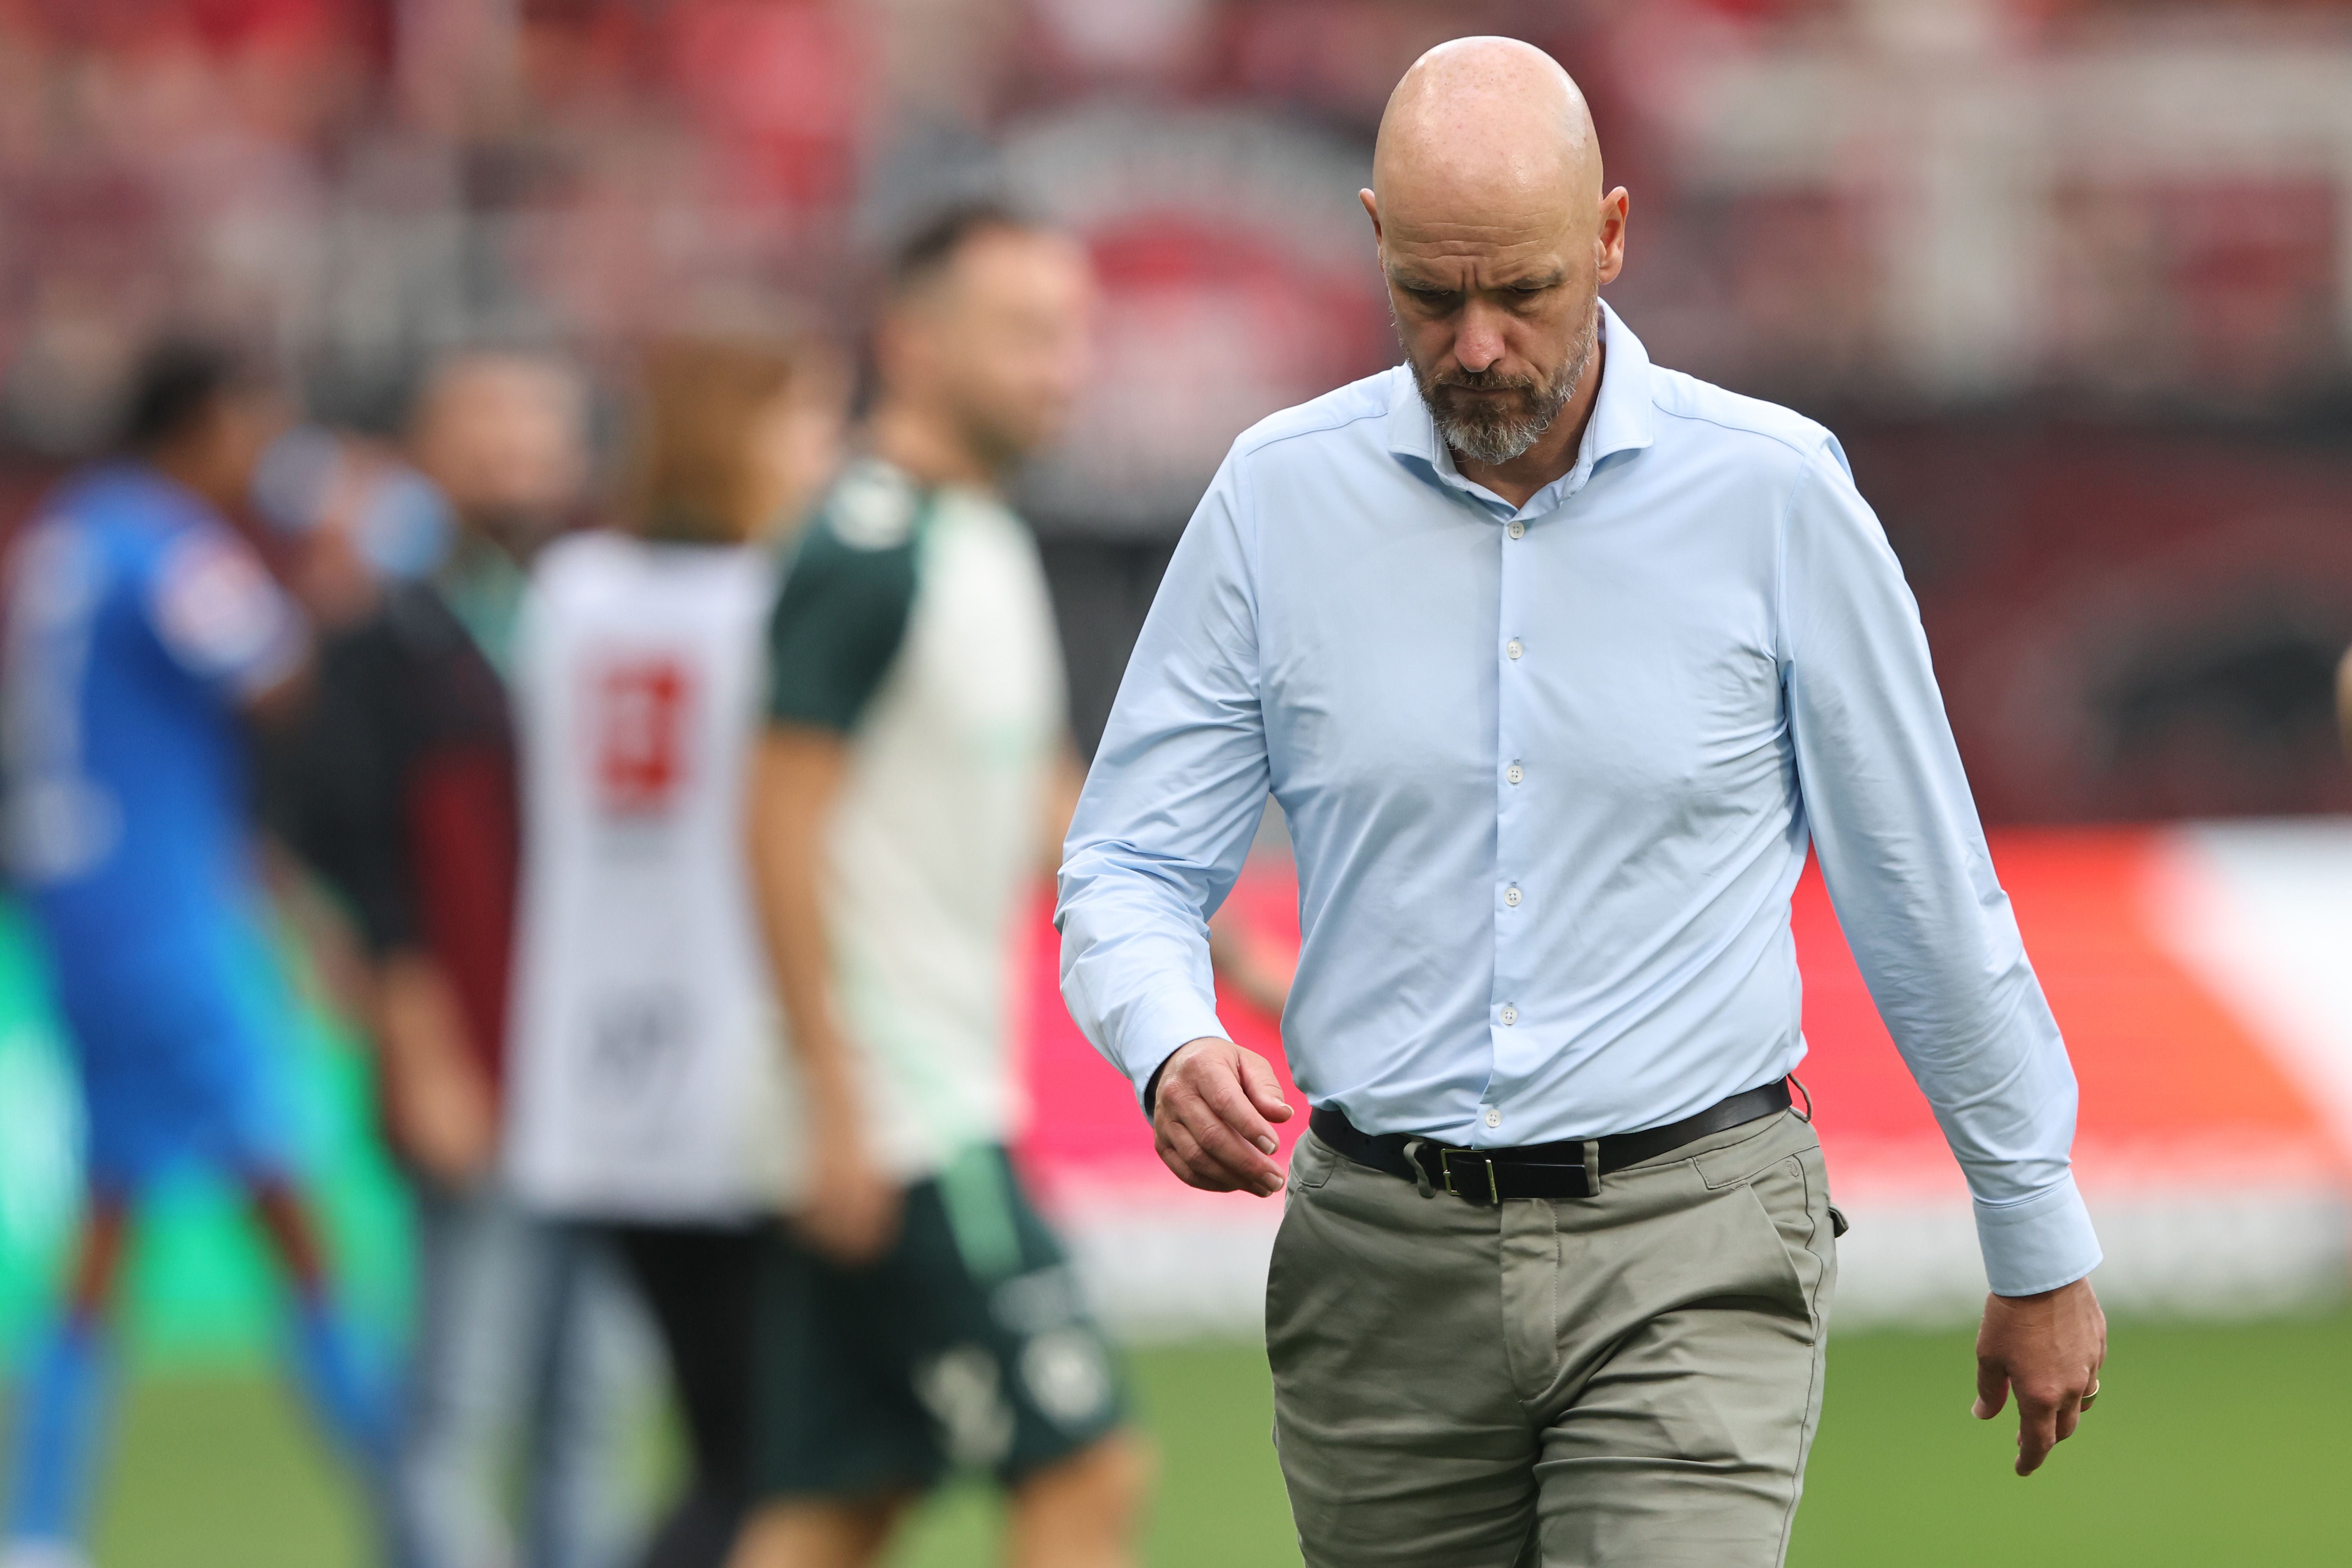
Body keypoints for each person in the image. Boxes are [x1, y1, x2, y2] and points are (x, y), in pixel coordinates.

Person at [1057, 38, 2108, 1568]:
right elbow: (1133, 859)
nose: (1477, 344)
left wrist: (2034, 1224)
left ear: (1612, 237)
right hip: (1379, 1265)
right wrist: (1166, 1039)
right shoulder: (1275, 501)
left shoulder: (1777, 496)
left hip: (1694, 1238)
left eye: (1525, 291)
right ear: (1371, 241)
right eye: (1430, 295)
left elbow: (1924, 888)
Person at [729, 207, 1148, 1568]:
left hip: (905, 1104)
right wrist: (835, 1097)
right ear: (911, 345)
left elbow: (1039, 794)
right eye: (1027, 335)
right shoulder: (865, 546)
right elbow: (774, 822)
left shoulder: (976, 535)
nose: (1064, 368)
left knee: (846, 1499)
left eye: (1074, 334)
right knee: (1089, 1469)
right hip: (906, 1117)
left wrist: (1224, 956)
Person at [0, 339, 391, 1568]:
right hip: (164, 926)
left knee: (108, 1218)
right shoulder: (168, 541)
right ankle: (416, 1503)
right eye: (252, 426)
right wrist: (333, 556)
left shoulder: (68, 538)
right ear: (206, 422)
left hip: (79, 912)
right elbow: (278, 680)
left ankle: (44, 1521)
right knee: (285, 1199)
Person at [266, 349, 656, 1568]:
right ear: (425, 456)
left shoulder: (611, 618)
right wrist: (414, 1035)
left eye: (536, 430)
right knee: (459, 1407)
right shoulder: (382, 645)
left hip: (613, 1077)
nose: (513, 457)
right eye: (483, 429)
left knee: (592, 1409)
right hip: (476, 1056)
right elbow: (359, 862)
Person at [502, 332, 843, 1568]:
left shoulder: (571, 591)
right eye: (807, 421)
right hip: (732, 1064)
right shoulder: (773, 603)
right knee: (766, 1466)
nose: (829, 454)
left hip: (595, 1062)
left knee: (723, 1444)